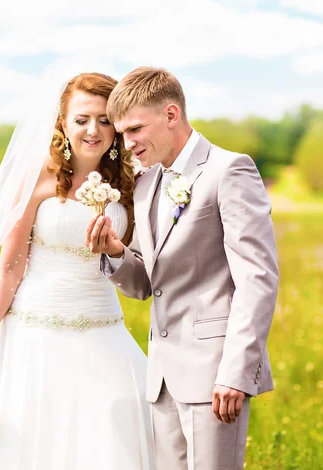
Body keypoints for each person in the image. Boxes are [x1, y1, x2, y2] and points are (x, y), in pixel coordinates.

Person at [0, 65, 155, 470]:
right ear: (63, 124)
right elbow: (9, 269)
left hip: (105, 332)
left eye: (105, 120)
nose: (93, 130)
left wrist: (116, 248)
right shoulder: (38, 177)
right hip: (32, 336)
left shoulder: (133, 182)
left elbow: (142, 268)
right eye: (82, 119)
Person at [87, 66, 279, 470]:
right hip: (161, 377)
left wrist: (236, 372)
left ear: (171, 115)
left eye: (135, 129)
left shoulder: (230, 170)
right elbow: (144, 285)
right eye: (122, 134)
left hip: (215, 374)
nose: (127, 143)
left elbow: (257, 280)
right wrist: (117, 253)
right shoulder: (145, 184)